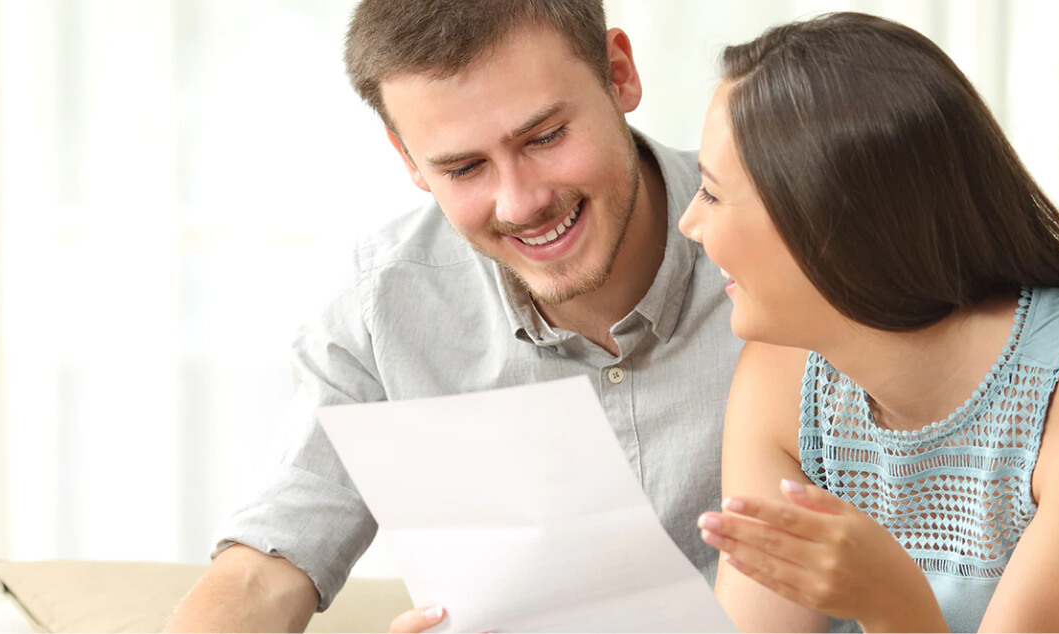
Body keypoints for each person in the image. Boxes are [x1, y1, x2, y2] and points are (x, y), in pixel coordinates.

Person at [679, 12, 1059, 632]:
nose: (690, 224)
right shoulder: (784, 376)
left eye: (711, 193)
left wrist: (894, 607)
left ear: (826, 222)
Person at [162, 1, 744, 631]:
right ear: (408, 158)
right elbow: (264, 567)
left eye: (545, 137)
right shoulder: (382, 304)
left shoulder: (797, 242)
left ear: (619, 72)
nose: (522, 204)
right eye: (464, 168)